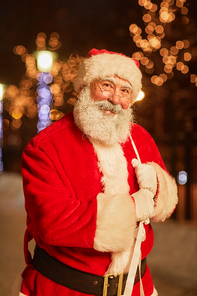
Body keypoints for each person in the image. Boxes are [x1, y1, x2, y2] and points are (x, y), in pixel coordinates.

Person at [19, 48, 178, 296]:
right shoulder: (44, 148)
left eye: (125, 91)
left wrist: (157, 186)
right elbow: (52, 222)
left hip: (137, 288)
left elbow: (166, 205)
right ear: (84, 87)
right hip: (65, 289)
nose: (115, 99)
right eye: (106, 85)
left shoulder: (140, 138)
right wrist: (132, 208)